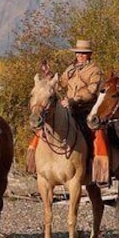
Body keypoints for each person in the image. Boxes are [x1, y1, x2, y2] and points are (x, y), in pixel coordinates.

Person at [25, 40, 104, 179]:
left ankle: (91, 164)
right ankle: (35, 163)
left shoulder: (95, 70)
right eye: (78, 52)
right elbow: (60, 84)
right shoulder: (71, 68)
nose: (80, 55)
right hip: (67, 107)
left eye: (83, 53)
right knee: (43, 128)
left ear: (89, 54)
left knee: (89, 132)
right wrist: (48, 75)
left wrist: (74, 100)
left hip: (84, 108)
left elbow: (91, 91)